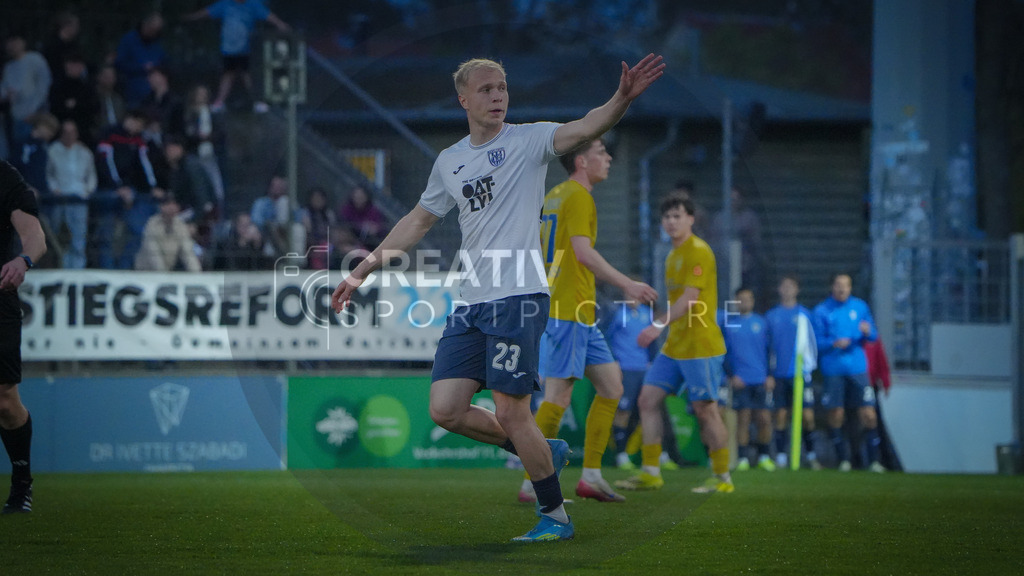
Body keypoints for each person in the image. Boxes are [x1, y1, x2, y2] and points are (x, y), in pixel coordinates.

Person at [332, 54, 665, 542]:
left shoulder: (528, 141)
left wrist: (620, 100)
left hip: (518, 296)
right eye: (486, 89)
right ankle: (539, 449)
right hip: (471, 301)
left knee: (512, 410)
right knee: (445, 409)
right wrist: (364, 267)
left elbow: (585, 126)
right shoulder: (450, 160)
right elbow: (418, 222)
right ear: (463, 99)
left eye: (503, 88)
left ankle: (554, 516)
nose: (497, 97)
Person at [517, 138, 657, 504]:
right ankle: (533, 482)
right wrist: (628, 282)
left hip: (574, 308)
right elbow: (582, 252)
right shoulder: (578, 196)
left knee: (611, 386)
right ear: (581, 161)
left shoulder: (556, 194)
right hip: (569, 310)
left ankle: (591, 476)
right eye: (601, 153)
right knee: (558, 396)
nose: (608, 158)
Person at [615, 194, 734, 494]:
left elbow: (690, 300)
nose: (671, 221)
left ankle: (722, 478)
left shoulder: (698, 251)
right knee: (647, 401)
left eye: (677, 215)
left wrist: (656, 325)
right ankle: (651, 472)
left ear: (691, 219)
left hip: (700, 344)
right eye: (667, 217)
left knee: (706, 409)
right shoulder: (671, 255)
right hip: (675, 345)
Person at [0, 159, 48, 513]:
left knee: (3, 400)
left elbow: (34, 236)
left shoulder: (4, 177)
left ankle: (21, 484)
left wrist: (23, 260)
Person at [812, 273, 885, 473]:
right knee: (836, 413)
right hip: (833, 369)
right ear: (832, 287)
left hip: (858, 369)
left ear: (850, 287)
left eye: (845, 285)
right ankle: (843, 460)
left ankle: (874, 461)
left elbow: (873, 335)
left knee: (868, 413)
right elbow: (815, 343)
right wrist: (833, 343)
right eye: (838, 285)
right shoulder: (821, 311)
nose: (842, 289)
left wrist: (867, 332)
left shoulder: (860, 307)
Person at [183, 0, 291, 113]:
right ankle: (219, 102)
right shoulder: (225, 4)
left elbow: (269, 16)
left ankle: (258, 102)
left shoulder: (253, 4)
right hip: (228, 48)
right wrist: (189, 17)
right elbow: (206, 12)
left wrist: (281, 24)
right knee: (228, 74)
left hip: (246, 48)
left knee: (247, 75)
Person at [766, 275, 820, 469]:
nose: (788, 290)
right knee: (780, 415)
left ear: (797, 290)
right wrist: (769, 374)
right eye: (784, 286)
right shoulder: (772, 316)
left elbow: (813, 345)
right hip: (779, 375)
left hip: (801, 375)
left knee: (807, 416)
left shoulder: (806, 315)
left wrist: (810, 369)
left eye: (791, 286)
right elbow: (767, 348)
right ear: (779, 289)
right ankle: (781, 457)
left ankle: (811, 455)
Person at [721, 287, 776, 472]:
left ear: (752, 301)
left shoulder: (762, 323)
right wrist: (731, 376)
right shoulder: (729, 325)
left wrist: (770, 375)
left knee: (764, 419)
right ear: (736, 302)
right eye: (741, 299)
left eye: (748, 298)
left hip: (760, 379)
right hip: (740, 380)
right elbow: (723, 354)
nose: (744, 302)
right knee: (743, 419)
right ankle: (743, 457)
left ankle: (764, 456)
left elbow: (770, 351)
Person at [46, 119, 96, 269]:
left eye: (72, 132)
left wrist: (87, 191)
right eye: (66, 132)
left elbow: (91, 175)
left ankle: (77, 270)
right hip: (60, 199)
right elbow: (49, 174)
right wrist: (54, 189)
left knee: (79, 237)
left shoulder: (84, 152)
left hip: (80, 200)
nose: (69, 135)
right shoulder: (53, 150)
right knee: (60, 236)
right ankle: (61, 268)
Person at [1, 32, 53, 149]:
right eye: (9, 43)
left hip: (37, 117)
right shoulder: (9, 67)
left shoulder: (36, 60)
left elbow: (45, 85)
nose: (12, 46)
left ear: (22, 43)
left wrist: (35, 111)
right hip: (17, 118)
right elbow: (3, 90)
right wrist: (6, 93)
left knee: (37, 152)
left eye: (15, 42)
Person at [135, 194, 202, 272]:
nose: (171, 208)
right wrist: (163, 275)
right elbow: (154, 255)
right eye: (168, 204)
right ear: (161, 207)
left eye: (174, 204)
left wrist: (197, 274)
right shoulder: (151, 225)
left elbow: (188, 253)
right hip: (145, 272)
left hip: (167, 271)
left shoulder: (180, 226)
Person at [115, 12, 166, 108]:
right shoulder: (129, 40)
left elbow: (163, 64)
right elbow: (119, 63)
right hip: (133, 93)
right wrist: (141, 68)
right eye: (152, 29)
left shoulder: (158, 44)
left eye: (157, 30)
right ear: (145, 25)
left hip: (154, 95)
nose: (154, 33)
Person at [337, 185, 388, 249]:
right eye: (356, 195)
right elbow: (343, 226)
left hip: (369, 243)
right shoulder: (346, 210)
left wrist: (375, 228)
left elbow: (381, 228)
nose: (358, 198)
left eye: (361, 196)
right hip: (350, 241)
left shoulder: (373, 211)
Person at [299, 187, 336, 269]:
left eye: (320, 198)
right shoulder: (305, 213)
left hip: (327, 243)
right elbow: (307, 232)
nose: (318, 200)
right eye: (315, 198)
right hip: (311, 243)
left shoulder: (328, 214)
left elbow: (332, 231)